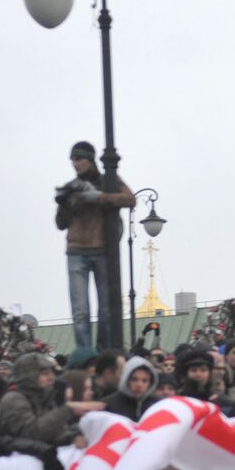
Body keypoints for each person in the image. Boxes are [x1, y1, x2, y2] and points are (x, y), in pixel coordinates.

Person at [55, 140, 134, 351]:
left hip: (100, 249)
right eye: (73, 159)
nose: (75, 164)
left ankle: (102, 350)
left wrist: (99, 197)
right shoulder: (71, 187)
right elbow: (60, 224)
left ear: (90, 160)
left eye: (79, 159)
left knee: (105, 310)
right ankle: (85, 352)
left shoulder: (107, 180)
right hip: (76, 251)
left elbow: (130, 199)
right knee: (80, 310)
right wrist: (64, 204)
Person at [0, 352, 103, 444]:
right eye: (45, 374)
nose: (52, 378)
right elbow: (31, 434)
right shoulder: (14, 399)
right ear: (29, 376)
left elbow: (54, 431)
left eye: (52, 373)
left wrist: (72, 437)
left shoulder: (45, 395)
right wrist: (67, 409)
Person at [102, 356, 159, 421]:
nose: (139, 385)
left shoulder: (156, 406)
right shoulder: (109, 405)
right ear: (126, 379)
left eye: (144, 380)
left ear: (150, 383)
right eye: (134, 379)